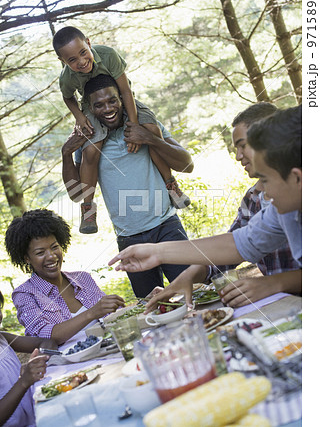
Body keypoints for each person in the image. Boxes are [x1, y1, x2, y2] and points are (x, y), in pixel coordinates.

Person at [108, 105, 302, 311]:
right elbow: (239, 243)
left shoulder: (283, 202)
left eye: (266, 180)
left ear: (297, 177)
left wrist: (275, 283)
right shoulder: (281, 209)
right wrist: (158, 253)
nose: (266, 194)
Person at [62, 74, 194, 298]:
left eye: (113, 100)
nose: (108, 108)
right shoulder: (88, 141)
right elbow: (76, 194)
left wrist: (151, 139)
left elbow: (187, 164)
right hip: (129, 239)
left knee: (196, 290)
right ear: (90, 110)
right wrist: (66, 154)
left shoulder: (145, 125)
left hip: (167, 226)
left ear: (123, 99)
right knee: (151, 306)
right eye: (99, 105)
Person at [53, 26, 190, 234]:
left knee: (151, 130)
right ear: (63, 61)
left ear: (89, 43)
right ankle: (88, 208)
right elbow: (67, 97)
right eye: (72, 60)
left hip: (126, 99)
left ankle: (170, 184)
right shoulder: (67, 79)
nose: (81, 62)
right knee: (91, 150)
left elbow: (125, 91)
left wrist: (134, 126)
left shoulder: (108, 55)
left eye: (83, 53)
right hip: (127, 232)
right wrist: (80, 119)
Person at [5, 209, 125, 345]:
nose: (51, 256)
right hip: (68, 364)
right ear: (26, 258)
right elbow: (44, 337)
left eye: (54, 247)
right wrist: (92, 313)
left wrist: (144, 303)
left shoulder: (83, 279)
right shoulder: (25, 294)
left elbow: (113, 316)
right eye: (40, 252)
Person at [0, 289, 56, 426]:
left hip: (38, 416)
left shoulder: (3, 338)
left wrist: (40, 359)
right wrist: (23, 382)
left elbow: (48, 342)